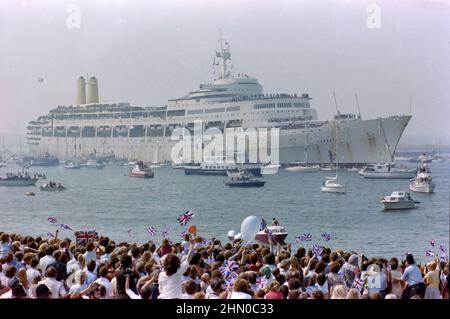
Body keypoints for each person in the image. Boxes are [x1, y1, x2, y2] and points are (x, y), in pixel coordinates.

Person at [158, 235, 195, 299]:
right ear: (177, 263)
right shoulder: (179, 271)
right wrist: (191, 244)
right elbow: (189, 257)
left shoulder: (161, 274)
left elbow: (161, 290)